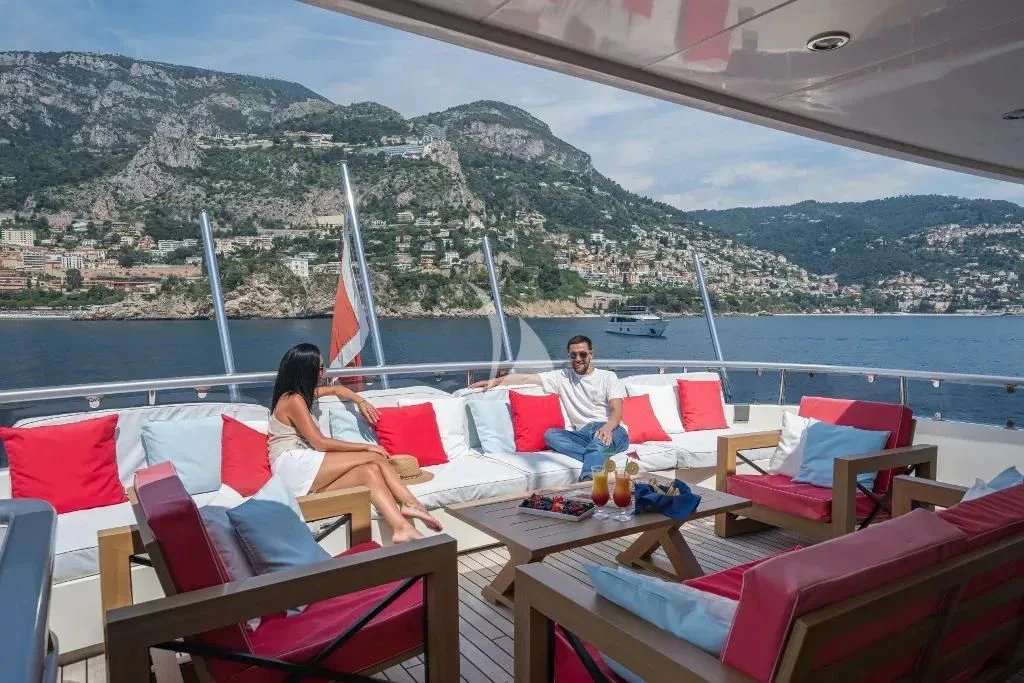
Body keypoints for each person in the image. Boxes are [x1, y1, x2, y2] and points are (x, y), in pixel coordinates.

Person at [269, 343, 441, 543]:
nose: (324, 373)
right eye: (321, 368)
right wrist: (367, 446)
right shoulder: (293, 399)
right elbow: (320, 443)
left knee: (369, 472)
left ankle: (401, 527)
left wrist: (360, 401)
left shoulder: (302, 394)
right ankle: (410, 502)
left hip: (303, 471)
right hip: (293, 464)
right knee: (374, 456)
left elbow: (335, 389)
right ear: (305, 370)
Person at [470, 335, 628, 480]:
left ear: (591, 355)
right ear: (569, 356)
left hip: (612, 430)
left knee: (599, 443)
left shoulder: (608, 377)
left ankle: (587, 482)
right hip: (582, 434)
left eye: (583, 354)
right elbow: (525, 378)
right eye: (573, 355)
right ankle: (597, 455)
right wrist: (495, 382)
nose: (578, 359)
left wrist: (607, 428)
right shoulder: (562, 377)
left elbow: (616, 410)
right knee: (551, 435)